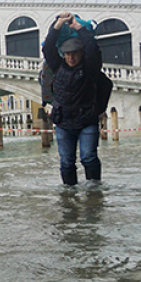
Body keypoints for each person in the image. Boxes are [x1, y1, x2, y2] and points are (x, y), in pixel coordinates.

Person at [43, 12, 104, 185]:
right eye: (67, 53)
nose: (71, 57)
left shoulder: (90, 68)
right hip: (63, 123)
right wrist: (57, 24)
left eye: (74, 53)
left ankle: (94, 191)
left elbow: (93, 49)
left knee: (88, 157)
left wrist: (78, 27)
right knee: (66, 162)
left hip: (86, 121)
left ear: (81, 52)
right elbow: (47, 48)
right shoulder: (57, 67)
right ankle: (69, 196)